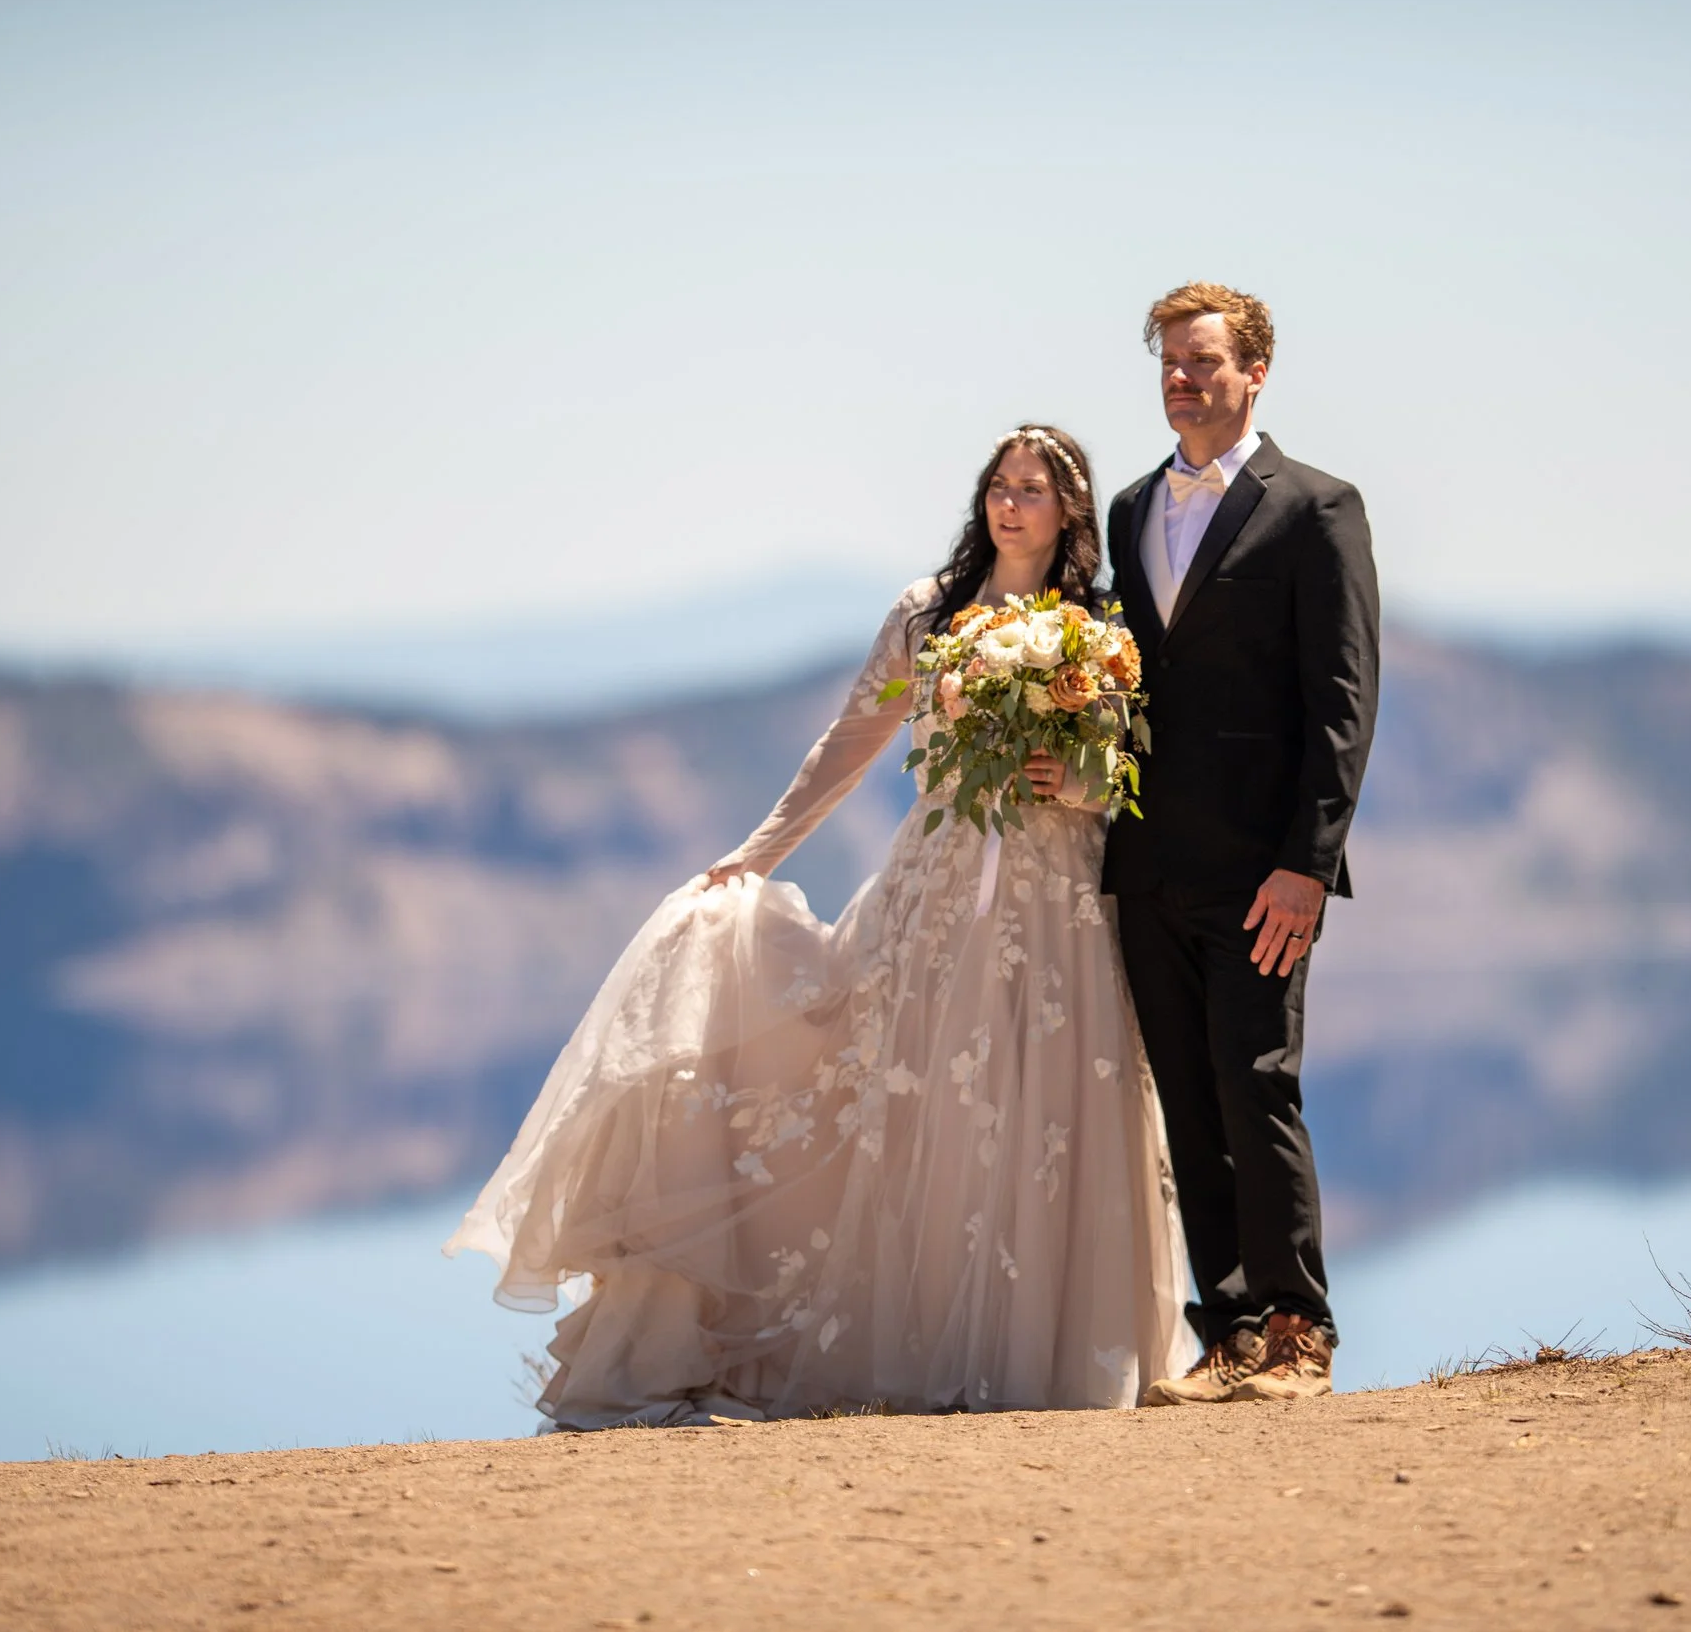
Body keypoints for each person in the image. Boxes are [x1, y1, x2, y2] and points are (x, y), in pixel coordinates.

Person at [448, 425, 1194, 1427]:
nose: (1010, 504)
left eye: (1034, 489)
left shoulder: (1100, 628)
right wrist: (759, 851)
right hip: (934, 891)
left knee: (1046, 1109)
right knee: (917, 1104)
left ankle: (1042, 1356)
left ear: (1069, 511)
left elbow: (1134, 771)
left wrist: (1080, 776)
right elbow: (855, 736)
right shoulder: (926, 615)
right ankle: (919, 1341)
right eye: (998, 486)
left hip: (1059, 900)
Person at [1103, 282, 1381, 1404]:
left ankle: (1298, 1329)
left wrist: (1307, 863)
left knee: (1255, 1082)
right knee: (1187, 1096)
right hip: (1145, 862)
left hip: (1263, 868)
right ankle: (1223, 1333)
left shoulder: (1316, 507)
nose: (1184, 378)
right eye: (1170, 361)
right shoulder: (1129, 508)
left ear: (1254, 370)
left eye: (1204, 361)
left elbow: (1342, 699)